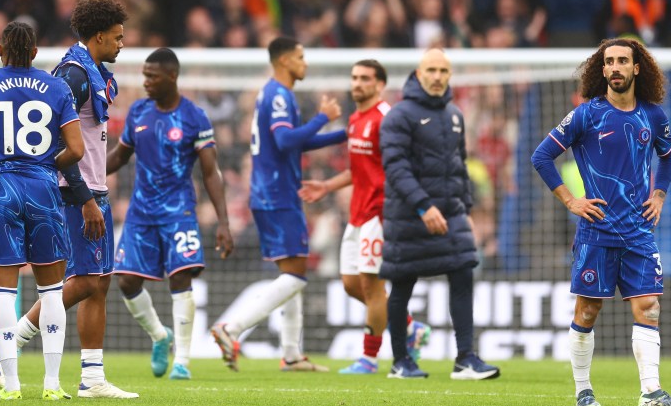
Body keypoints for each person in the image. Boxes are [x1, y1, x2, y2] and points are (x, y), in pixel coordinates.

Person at [0, 0, 137, 399]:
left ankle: (92, 377)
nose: (123, 44)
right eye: (118, 37)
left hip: (92, 189)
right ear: (99, 36)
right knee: (83, 281)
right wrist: (85, 196)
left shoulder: (94, 71)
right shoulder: (72, 75)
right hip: (73, 192)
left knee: (99, 283)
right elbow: (54, 141)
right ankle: (8, 342)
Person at [531, 38, 671, 406]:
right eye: (610, 62)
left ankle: (651, 393)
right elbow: (541, 156)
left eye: (624, 60)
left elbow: (668, 159)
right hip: (597, 231)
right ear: (601, 70)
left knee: (649, 306)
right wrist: (571, 200)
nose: (617, 67)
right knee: (587, 312)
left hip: (638, 231)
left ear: (637, 68)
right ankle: (583, 390)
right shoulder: (586, 115)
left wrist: (659, 195)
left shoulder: (653, 115)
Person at [0, 21, 84, 400]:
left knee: (3, 295)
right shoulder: (57, 86)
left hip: (3, 190)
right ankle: (53, 386)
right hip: (43, 187)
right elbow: (76, 150)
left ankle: (11, 386)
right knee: (53, 291)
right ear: (36, 53)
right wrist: (42, 161)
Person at [210, 36, 346, 372]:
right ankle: (232, 328)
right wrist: (323, 117)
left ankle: (291, 353)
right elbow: (287, 140)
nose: (306, 63)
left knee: (293, 271)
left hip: (272, 191)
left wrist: (343, 134)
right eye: (301, 56)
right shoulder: (280, 95)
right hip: (278, 194)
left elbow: (293, 144)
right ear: (284, 60)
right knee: (297, 276)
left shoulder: (272, 94)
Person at [106, 48, 235, 381]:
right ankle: (160, 336)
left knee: (181, 277)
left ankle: (184, 361)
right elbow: (120, 157)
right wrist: (78, 174)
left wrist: (223, 221)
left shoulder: (194, 116)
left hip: (179, 212)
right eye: (144, 75)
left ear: (172, 76)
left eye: (153, 76)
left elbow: (210, 172)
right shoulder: (138, 112)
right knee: (127, 281)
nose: (146, 81)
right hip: (141, 213)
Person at [299, 59, 431, 375]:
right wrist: (327, 186)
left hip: (379, 214)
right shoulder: (356, 118)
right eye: (354, 77)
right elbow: (359, 169)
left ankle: (368, 359)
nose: (357, 83)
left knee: (372, 288)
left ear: (379, 84)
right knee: (350, 284)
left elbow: (401, 166)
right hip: (356, 214)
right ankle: (411, 327)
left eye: (365, 78)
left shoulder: (387, 119)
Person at [379, 47, 499, 381]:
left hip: (451, 215)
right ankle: (401, 361)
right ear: (418, 74)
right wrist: (422, 206)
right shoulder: (399, 116)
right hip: (408, 217)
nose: (436, 77)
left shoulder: (455, 115)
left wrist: (467, 209)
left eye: (443, 71)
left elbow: (459, 168)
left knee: (463, 274)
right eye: (430, 70)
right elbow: (396, 167)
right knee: (402, 286)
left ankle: (465, 358)